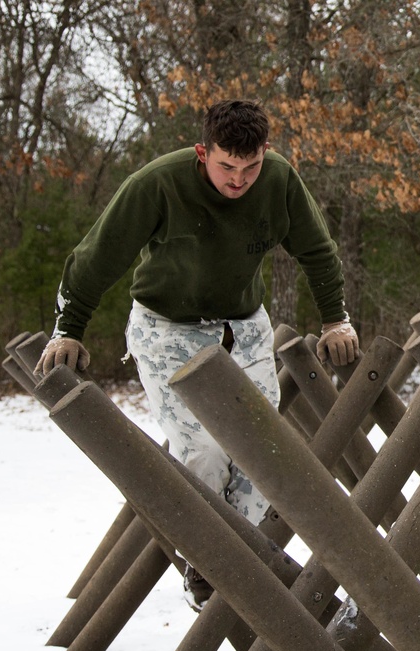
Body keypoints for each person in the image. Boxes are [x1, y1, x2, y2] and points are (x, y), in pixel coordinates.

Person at [33, 99, 359, 610]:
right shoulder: (158, 183)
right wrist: (68, 330)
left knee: (260, 450)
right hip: (168, 330)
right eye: (227, 165)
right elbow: (97, 257)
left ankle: (243, 564)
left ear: (265, 154)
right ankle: (206, 567)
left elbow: (317, 251)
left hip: (244, 330)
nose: (239, 179)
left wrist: (335, 318)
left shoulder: (278, 180)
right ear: (202, 152)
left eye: (250, 167)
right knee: (205, 450)